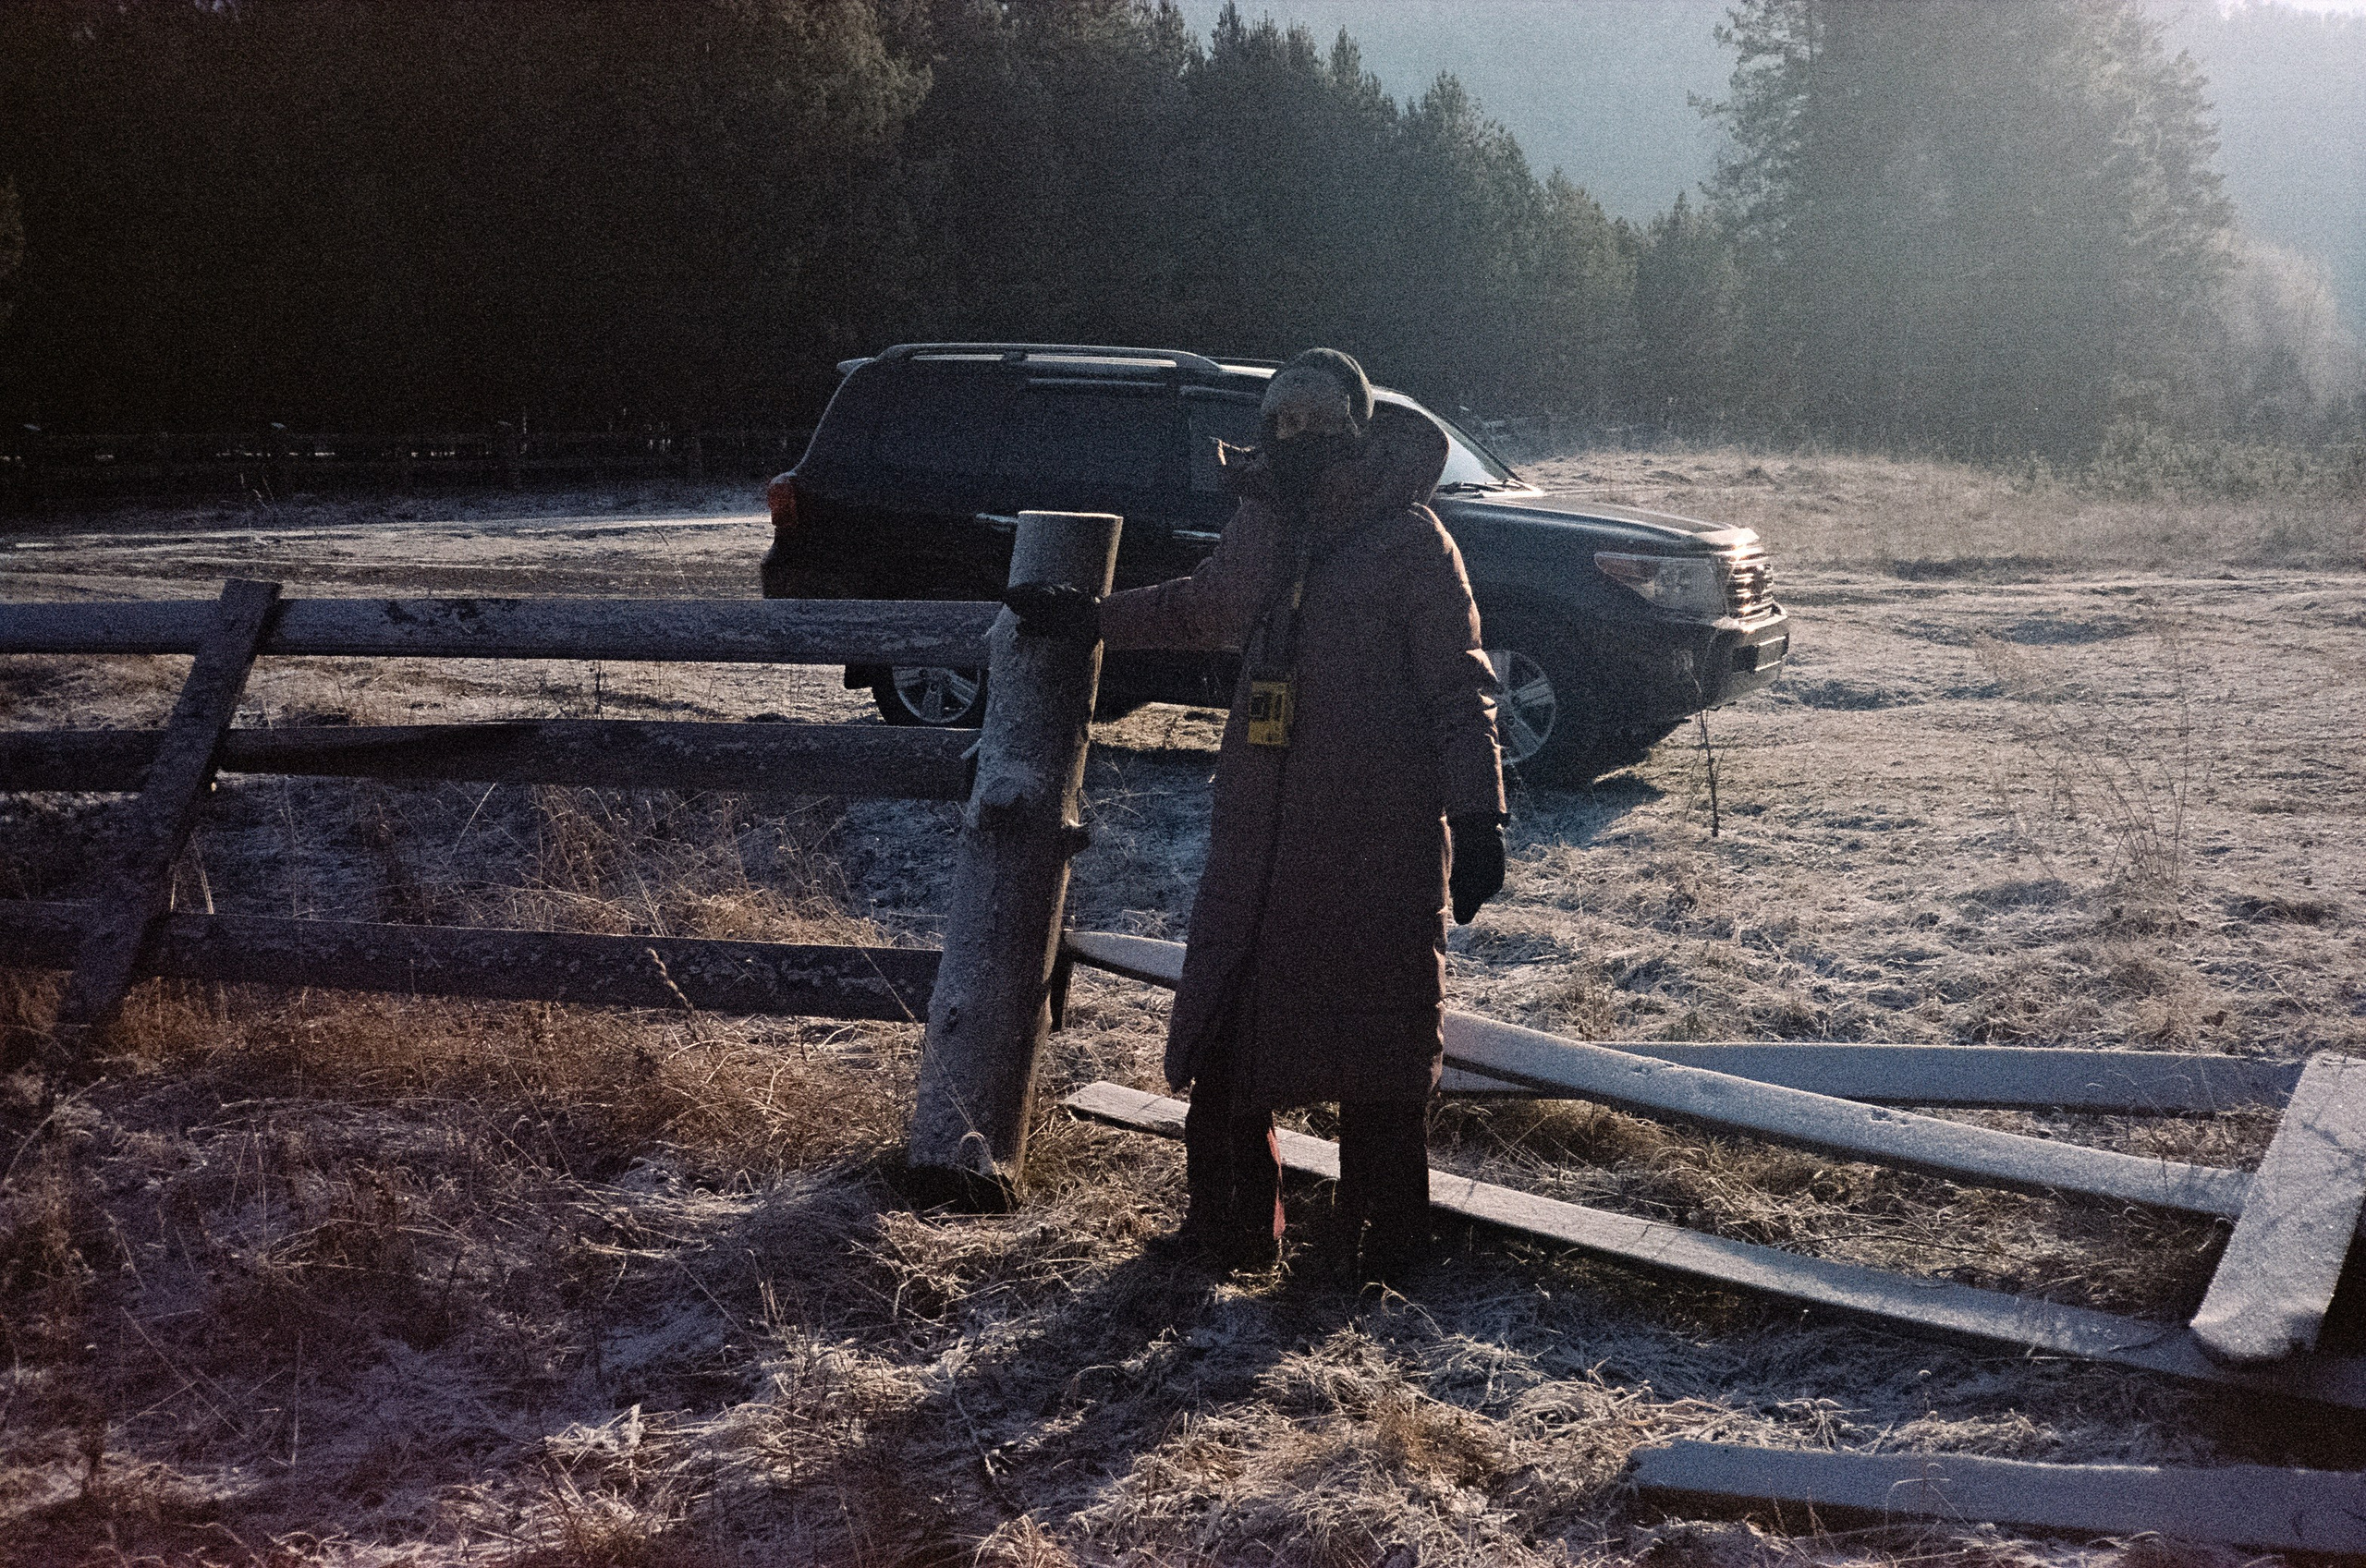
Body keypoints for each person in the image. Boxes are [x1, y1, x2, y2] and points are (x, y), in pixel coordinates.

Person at [1005, 347, 1506, 1282]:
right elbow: (1201, 608)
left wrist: (1480, 818)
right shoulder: (1264, 523)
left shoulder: (1412, 541)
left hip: (1378, 842)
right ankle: (1232, 1229)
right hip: (1259, 840)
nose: (1298, 439)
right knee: (1226, 1033)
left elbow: (1459, 688)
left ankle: (1383, 1246)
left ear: (1356, 430)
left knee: (1379, 1047)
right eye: (1282, 422)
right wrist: (1093, 619)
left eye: (1318, 422)